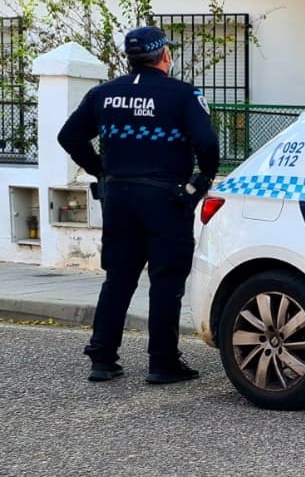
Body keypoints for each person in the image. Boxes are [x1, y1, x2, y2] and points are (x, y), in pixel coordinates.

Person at [58, 25, 220, 384]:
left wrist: (102, 171)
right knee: (165, 279)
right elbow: (206, 143)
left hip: (118, 197)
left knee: (119, 277)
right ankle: (162, 362)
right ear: (164, 56)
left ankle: (102, 357)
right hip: (166, 197)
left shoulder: (104, 93)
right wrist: (203, 179)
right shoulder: (182, 95)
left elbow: (69, 136)